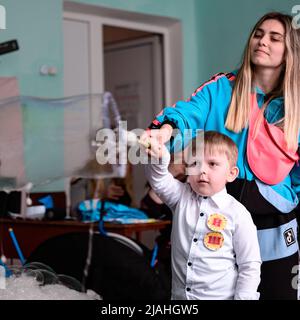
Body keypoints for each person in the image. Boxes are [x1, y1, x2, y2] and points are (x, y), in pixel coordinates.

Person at [141, 12, 300, 300]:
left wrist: (284, 195)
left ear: (290, 51)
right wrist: (165, 129)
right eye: (258, 34)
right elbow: (187, 112)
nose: (262, 41)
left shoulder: (296, 106)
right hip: (217, 229)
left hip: (275, 232)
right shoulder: (221, 88)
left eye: (274, 38)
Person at [144, 131, 261, 300]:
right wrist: (159, 158)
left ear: (231, 174)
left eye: (212, 164)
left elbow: (249, 265)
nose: (202, 170)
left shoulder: (238, 214)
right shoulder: (180, 197)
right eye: (195, 163)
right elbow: (159, 180)